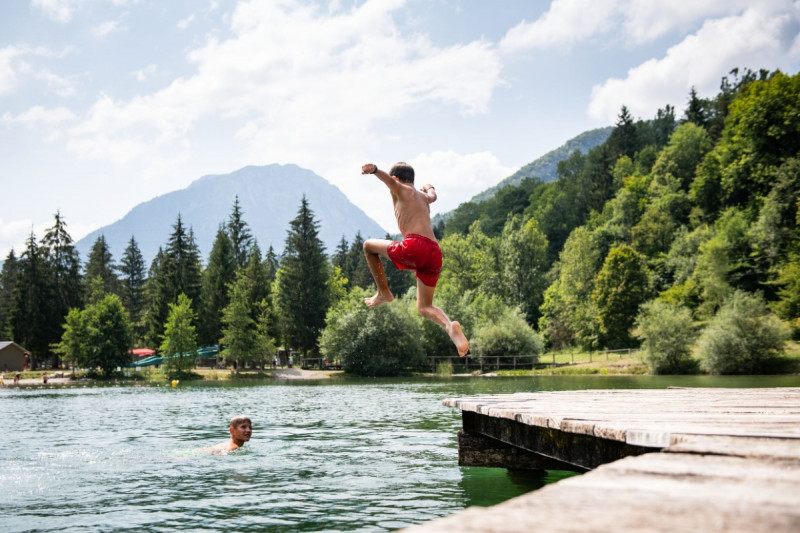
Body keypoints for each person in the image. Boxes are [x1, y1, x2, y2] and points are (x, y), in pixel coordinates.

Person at [361, 162, 469, 356]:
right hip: (434, 253)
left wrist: (375, 170)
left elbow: (388, 181)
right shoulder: (424, 197)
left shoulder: (399, 187)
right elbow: (433, 196)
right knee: (424, 307)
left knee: (368, 246)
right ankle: (450, 326)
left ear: (397, 179)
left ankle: (383, 292)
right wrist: (429, 187)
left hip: (415, 245)